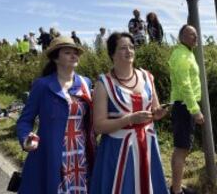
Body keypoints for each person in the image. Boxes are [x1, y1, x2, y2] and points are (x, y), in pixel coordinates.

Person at [90, 32, 168, 194]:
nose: (129, 51)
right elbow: (98, 126)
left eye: (131, 47)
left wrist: (158, 113)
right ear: (112, 54)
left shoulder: (147, 77)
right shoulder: (103, 84)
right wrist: (130, 119)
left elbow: (155, 108)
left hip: (147, 145)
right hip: (118, 151)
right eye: (123, 48)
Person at [16, 36, 96, 194]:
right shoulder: (42, 85)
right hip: (51, 153)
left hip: (81, 153)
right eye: (68, 53)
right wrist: (26, 139)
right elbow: (25, 120)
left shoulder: (86, 83)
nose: (74, 56)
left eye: (75, 53)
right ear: (55, 58)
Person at [168, 25, 205, 194]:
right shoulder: (182, 55)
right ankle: (176, 191)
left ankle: (176, 187)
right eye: (191, 34)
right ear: (181, 36)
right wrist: (194, 109)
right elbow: (185, 85)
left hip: (183, 106)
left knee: (180, 149)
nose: (195, 37)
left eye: (196, 34)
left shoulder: (187, 52)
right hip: (184, 107)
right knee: (182, 150)